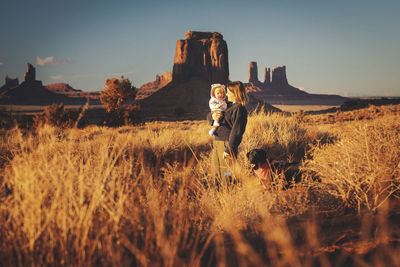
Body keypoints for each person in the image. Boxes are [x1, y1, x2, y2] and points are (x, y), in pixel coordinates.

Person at [207, 81, 248, 180]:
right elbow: (210, 115)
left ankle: (228, 190)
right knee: (216, 170)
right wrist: (212, 116)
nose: (226, 94)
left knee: (227, 171)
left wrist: (229, 148)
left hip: (226, 144)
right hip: (217, 142)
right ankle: (218, 191)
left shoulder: (239, 108)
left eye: (229, 92)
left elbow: (237, 131)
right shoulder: (227, 105)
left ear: (235, 93)